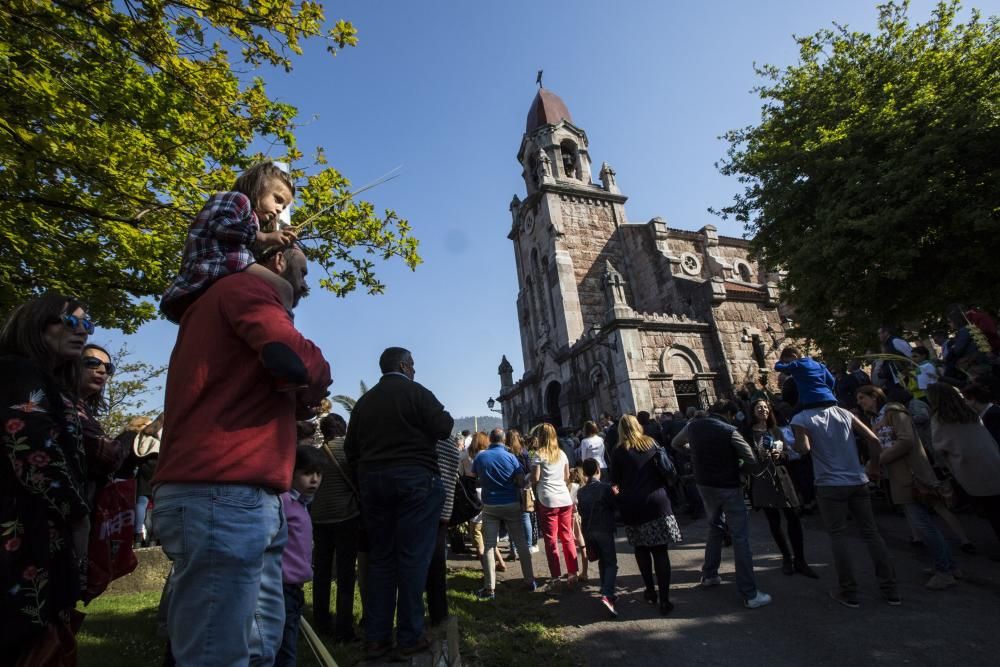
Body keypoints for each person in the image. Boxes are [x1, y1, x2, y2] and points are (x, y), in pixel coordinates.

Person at [152, 243, 331, 666]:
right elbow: (308, 364)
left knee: (256, 647)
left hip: (240, 494)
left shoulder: (223, 302)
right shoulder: (246, 291)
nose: (305, 287)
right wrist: (310, 378)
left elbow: (288, 377)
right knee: (219, 652)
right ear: (280, 261)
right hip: (223, 491)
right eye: (302, 274)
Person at [344, 347, 452, 660]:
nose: (415, 371)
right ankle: (410, 634)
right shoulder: (417, 393)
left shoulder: (364, 404)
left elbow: (352, 450)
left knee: (380, 559)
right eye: (413, 365)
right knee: (413, 558)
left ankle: (376, 638)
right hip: (416, 480)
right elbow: (444, 428)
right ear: (404, 365)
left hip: (373, 483)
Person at [1, 294, 92, 661]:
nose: (82, 332)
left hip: (41, 530)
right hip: (20, 530)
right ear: (38, 324)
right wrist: (78, 514)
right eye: (71, 322)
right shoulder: (16, 371)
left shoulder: (51, 384)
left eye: (88, 325)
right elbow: (32, 449)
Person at [790, 398, 899, 608]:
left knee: (838, 536)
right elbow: (874, 440)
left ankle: (849, 592)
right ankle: (891, 590)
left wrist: (795, 440)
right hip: (858, 481)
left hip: (829, 485)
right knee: (871, 533)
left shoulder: (801, 417)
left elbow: (803, 449)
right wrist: (875, 466)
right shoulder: (843, 412)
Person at [160, 161, 298, 323]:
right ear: (258, 186)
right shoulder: (237, 199)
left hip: (211, 276)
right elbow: (222, 226)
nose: (279, 209)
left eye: (283, 206)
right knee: (284, 289)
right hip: (216, 266)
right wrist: (265, 237)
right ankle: (282, 334)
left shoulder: (250, 218)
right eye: (277, 199)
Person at [856, 386, 960, 589]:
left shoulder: (894, 411)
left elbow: (906, 441)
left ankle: (945, 571)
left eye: (862, 397)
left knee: (923, 525)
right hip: (900, 476)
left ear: (874, 396)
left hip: (912, 476)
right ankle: (948, 564)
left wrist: (876, 462)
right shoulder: (877, 418)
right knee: (924, 524)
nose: (859, 401)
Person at [672, 401, 769, 609]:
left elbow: (675, 444)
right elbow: (751, 459)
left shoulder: (693, 426)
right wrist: (741, 469)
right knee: (740, 537)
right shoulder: (730, 431)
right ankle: (750, 593)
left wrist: (694, 453)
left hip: (705, 485)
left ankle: (709, 575)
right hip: (728, 486)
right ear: (728, 414)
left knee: (715, 527)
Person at [743, 399, 818, 578]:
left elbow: (786, 452)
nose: (763, 409)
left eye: (766, 407)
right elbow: (742, 457)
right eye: (759, 407)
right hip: (762, 478)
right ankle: (786, 557)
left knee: (793, 516)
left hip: (781, 474)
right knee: (773, 520)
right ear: (752, 411)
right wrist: (755, 457)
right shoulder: (747, 434)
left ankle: (800, 559)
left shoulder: (775, 430)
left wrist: (781, 453)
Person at [616, 415, 683, 614]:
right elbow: (669, 470)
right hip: (657, 502)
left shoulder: (619, 452)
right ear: (639, 426)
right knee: (660, 552)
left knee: (641, 549)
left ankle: (650, 591)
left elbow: (615, 482)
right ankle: (665, 600)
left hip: (632, 506)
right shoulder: (651, 444)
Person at [927, 383, 1000, 543]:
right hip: (992, 462)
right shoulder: (969, 411)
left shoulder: (939, 418)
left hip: (971, 469)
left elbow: (939, 446)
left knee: (992, 510)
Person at [311, 413, 362, 642]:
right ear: (343, 428)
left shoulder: (317, 453)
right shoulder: (349, 450)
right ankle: (344, 627)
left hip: (320, 518)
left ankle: (320, 623)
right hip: (346, 516)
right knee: (345, 572)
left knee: (321, 571)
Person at [472, 427, 536, 599]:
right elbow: (521, 481)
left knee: (490, 545)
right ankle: (529, 581)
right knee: (521, 543)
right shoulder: (511, 457)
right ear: (503, 439)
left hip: (490, 505)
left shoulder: (480, 457)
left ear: (490, 439)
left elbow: (473, 475)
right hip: (511, 503)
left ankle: (489, 588)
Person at [276, 446, 326, 666]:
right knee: (284, 649)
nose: (314, 480)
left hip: (294, 588)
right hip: (281, 587)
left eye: (319, 474)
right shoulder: (284, 502)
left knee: (289, 642)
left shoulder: (302, 504)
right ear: (291, 472)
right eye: (307, 473)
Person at [532, 423, 579, 587]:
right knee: (567, 536)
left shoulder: (539, 454)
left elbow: (535, 478)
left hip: (548, 500)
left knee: (551, 539)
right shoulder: (562, 454)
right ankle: (573, 572)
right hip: (565, 499)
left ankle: (556, 576)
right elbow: (566, 476)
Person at [426, 434, 461, 627]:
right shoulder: (449, 443)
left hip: (421, 508)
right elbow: (451, 478)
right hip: (442, 511)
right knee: (437, 565)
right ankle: (439, 614)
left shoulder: (424, 439)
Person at [577, 458, 619, 616]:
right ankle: (608, 594)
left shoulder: (581, 491)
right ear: (597, 470)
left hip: (588, 531)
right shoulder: (605, 488)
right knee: (611, 563)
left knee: (603, 561)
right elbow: (614, 506)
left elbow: (581, 511)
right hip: (604, 528)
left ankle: (605, 588)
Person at [506, 429, 536, 560]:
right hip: (523, 487)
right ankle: (528, 547)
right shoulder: (523, 451)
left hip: (510, 488)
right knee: (525, 518)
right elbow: (530, 470)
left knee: (511, 519)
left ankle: (514, 549)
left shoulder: (506, 453)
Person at [962, 382, 1000, 448]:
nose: (965, 403)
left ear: (972, 399)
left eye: (966, 400)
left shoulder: (993, 415)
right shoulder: (992, 411)